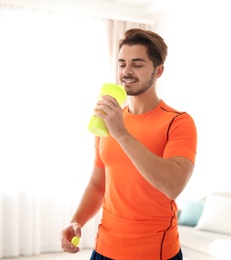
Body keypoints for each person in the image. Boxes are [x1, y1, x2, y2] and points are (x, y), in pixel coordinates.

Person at [60, 28, 197, 260]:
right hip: (104, 249)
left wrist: (121, 133)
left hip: (155, 253)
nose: (126, 71)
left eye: (137, 64)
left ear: (159, 70)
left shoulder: (178, 122)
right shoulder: (108, 119)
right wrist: (77, 220)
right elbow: (97, 184)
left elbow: (173, 185)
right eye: (122, 64)